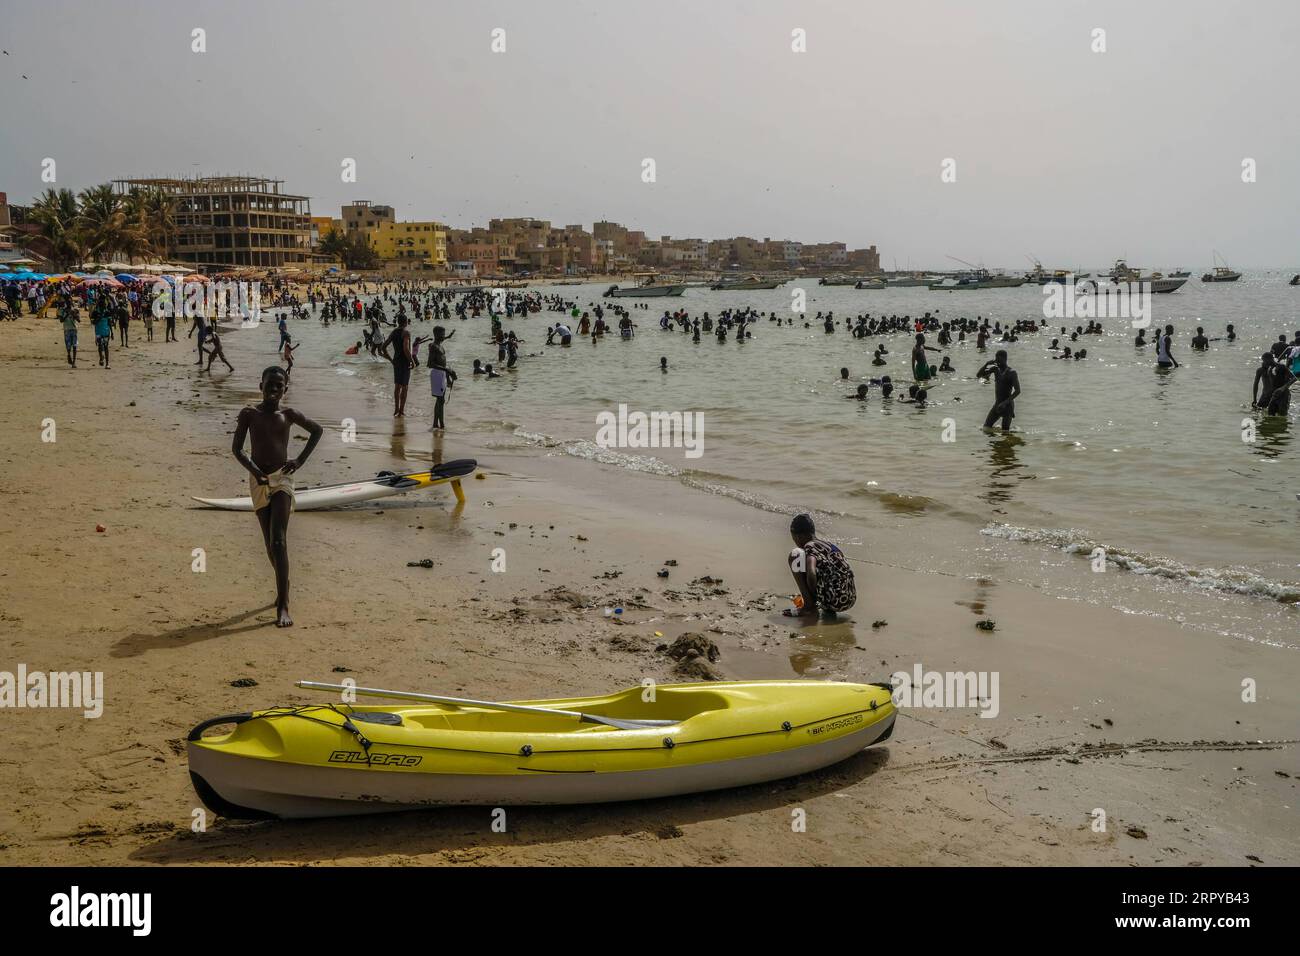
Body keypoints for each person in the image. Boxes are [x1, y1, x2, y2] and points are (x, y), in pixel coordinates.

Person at [231, 366, 323, 628]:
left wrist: (299, 460)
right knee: (270, 546)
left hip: (282, 478)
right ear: (260, 385)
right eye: (269, 384)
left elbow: (317, 431)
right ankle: (283, 583)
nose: (274, 389)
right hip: (258, 479)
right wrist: (256, 472)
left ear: (286, 388)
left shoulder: (289, 414)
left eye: (279, 385)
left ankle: (283, 604)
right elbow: (237, 449)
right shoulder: (249, 414)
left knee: (279, 540)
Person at [783, 514, 856, 619]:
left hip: (834, 601)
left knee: (795, 554)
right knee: (826, 570)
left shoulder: (810, 546)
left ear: (798, 536)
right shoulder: (829, 545)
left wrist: (813, 598)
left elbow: (811, 572)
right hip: (849, 599)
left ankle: (809, 607)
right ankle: (826, 608)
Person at [977, 350, 1020, 431]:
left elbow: (1018, 391)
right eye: (996, 359)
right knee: (986, 428)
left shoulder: (1012, 372)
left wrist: (1005, 403)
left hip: (1008, 405)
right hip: (997, 404)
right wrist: (986, 364)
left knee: (1005, 432)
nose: (997, 361)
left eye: (999, 359)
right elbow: (978, 375)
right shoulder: (995, 369)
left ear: (1005, 359)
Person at [380, 314, 413, 416]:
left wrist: (390, 359)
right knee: (405, 387)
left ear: (398, 322)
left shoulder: (394, 332)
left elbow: (383, 347)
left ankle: (396, 409)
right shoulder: (406, 332)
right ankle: (401, 411)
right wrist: (412, 361)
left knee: (397, 386)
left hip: (396, 361)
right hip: (404, 362)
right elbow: (406, 349)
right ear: (406, 322)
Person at [59, 298, 79, 368]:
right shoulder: (63, 310)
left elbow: (79, 320)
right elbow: (61, 320)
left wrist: (74, 315)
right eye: (68, 303)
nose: (69, 304)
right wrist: (66, 315)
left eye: (70, 303)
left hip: (74, 329)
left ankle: (74, 362)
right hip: (67, 329)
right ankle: (69, 355)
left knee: (74, 345)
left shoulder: (75, 310)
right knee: (68, 345)